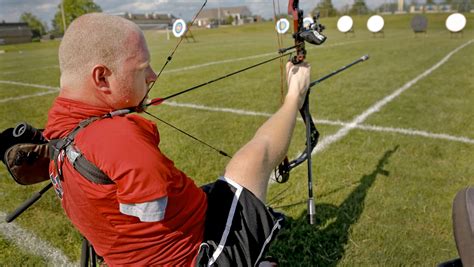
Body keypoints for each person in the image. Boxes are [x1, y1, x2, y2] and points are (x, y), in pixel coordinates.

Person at [43, 13, 310, 266]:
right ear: (102, 77)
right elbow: (153, 202)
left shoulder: (56, 129)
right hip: (198, 259)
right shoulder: (115, 139)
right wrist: (294, 96)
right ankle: (294, 95)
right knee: (253, 159)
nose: (152, 76)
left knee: (219, 191)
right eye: (142, 68)